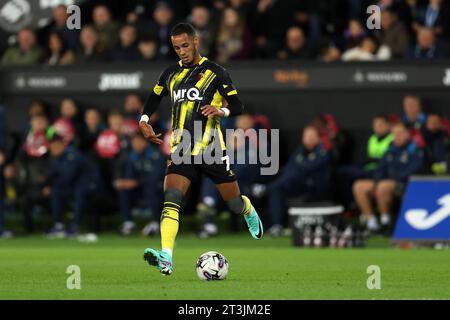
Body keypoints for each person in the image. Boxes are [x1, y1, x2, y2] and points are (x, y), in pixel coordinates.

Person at [138, 23, 263, 275]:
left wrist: (222, 110)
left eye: (185, 45)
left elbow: (238, 105)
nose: (181, 51)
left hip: (212, 149)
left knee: (233, 204)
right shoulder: (170, 74)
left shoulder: (216, 72)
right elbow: (154, 96)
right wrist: (143, 121)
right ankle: (166, 257)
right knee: (172, 197)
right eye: (176, 47)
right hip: (181, 147)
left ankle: (248, 209)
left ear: (196, 41)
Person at [253, 125, 331, 236]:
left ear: (318, 138)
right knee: (278, 190)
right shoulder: (299, 152)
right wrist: (300, 165)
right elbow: (290, 167)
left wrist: (299, 165)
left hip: (312, 187)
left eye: (311, 136)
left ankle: (265, 189)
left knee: (293, 175)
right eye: (306, 136)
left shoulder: (323, 153)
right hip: (296, 186)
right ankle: (277, 226)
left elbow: (309, 167)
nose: (308, 138)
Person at [353, 123, 424, 233]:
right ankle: (371, 222)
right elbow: (380, 168)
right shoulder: (391, 150)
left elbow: (414, 169)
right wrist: (377, 180)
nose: (397, 136)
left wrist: (391, 179)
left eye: (400, 133)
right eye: (394, 134)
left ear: (408, 134)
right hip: (384, 183)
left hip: (404, 184)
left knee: (383, 186)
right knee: (359, 186)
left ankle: (386, 221)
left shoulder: (414, 150)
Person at [45, 135, 99, 238]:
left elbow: (69, 176)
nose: (54, 149)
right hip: (73, 186)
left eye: (56, 146)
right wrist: (48, 186)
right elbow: (54, 176)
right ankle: (58, 225)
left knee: (79, 192)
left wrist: (52, 185)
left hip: (90, 185)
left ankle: (75, 226)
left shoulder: (72, 155)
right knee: (56, 191)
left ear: (63, 145)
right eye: (52, 147)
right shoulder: (56, 158)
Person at [114, 132, 165, 236]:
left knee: (151, 188)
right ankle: (128, 222)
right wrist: (125, 182)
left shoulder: (155, 155)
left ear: (145, 142)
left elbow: (156, 177)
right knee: (124, 189)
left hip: (158, 189)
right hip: (140, 188)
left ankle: (156, 222)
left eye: (138, 141)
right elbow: (130, 176)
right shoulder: (132, 156)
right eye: (134, 142)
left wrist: (136, 182)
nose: (136, 144)